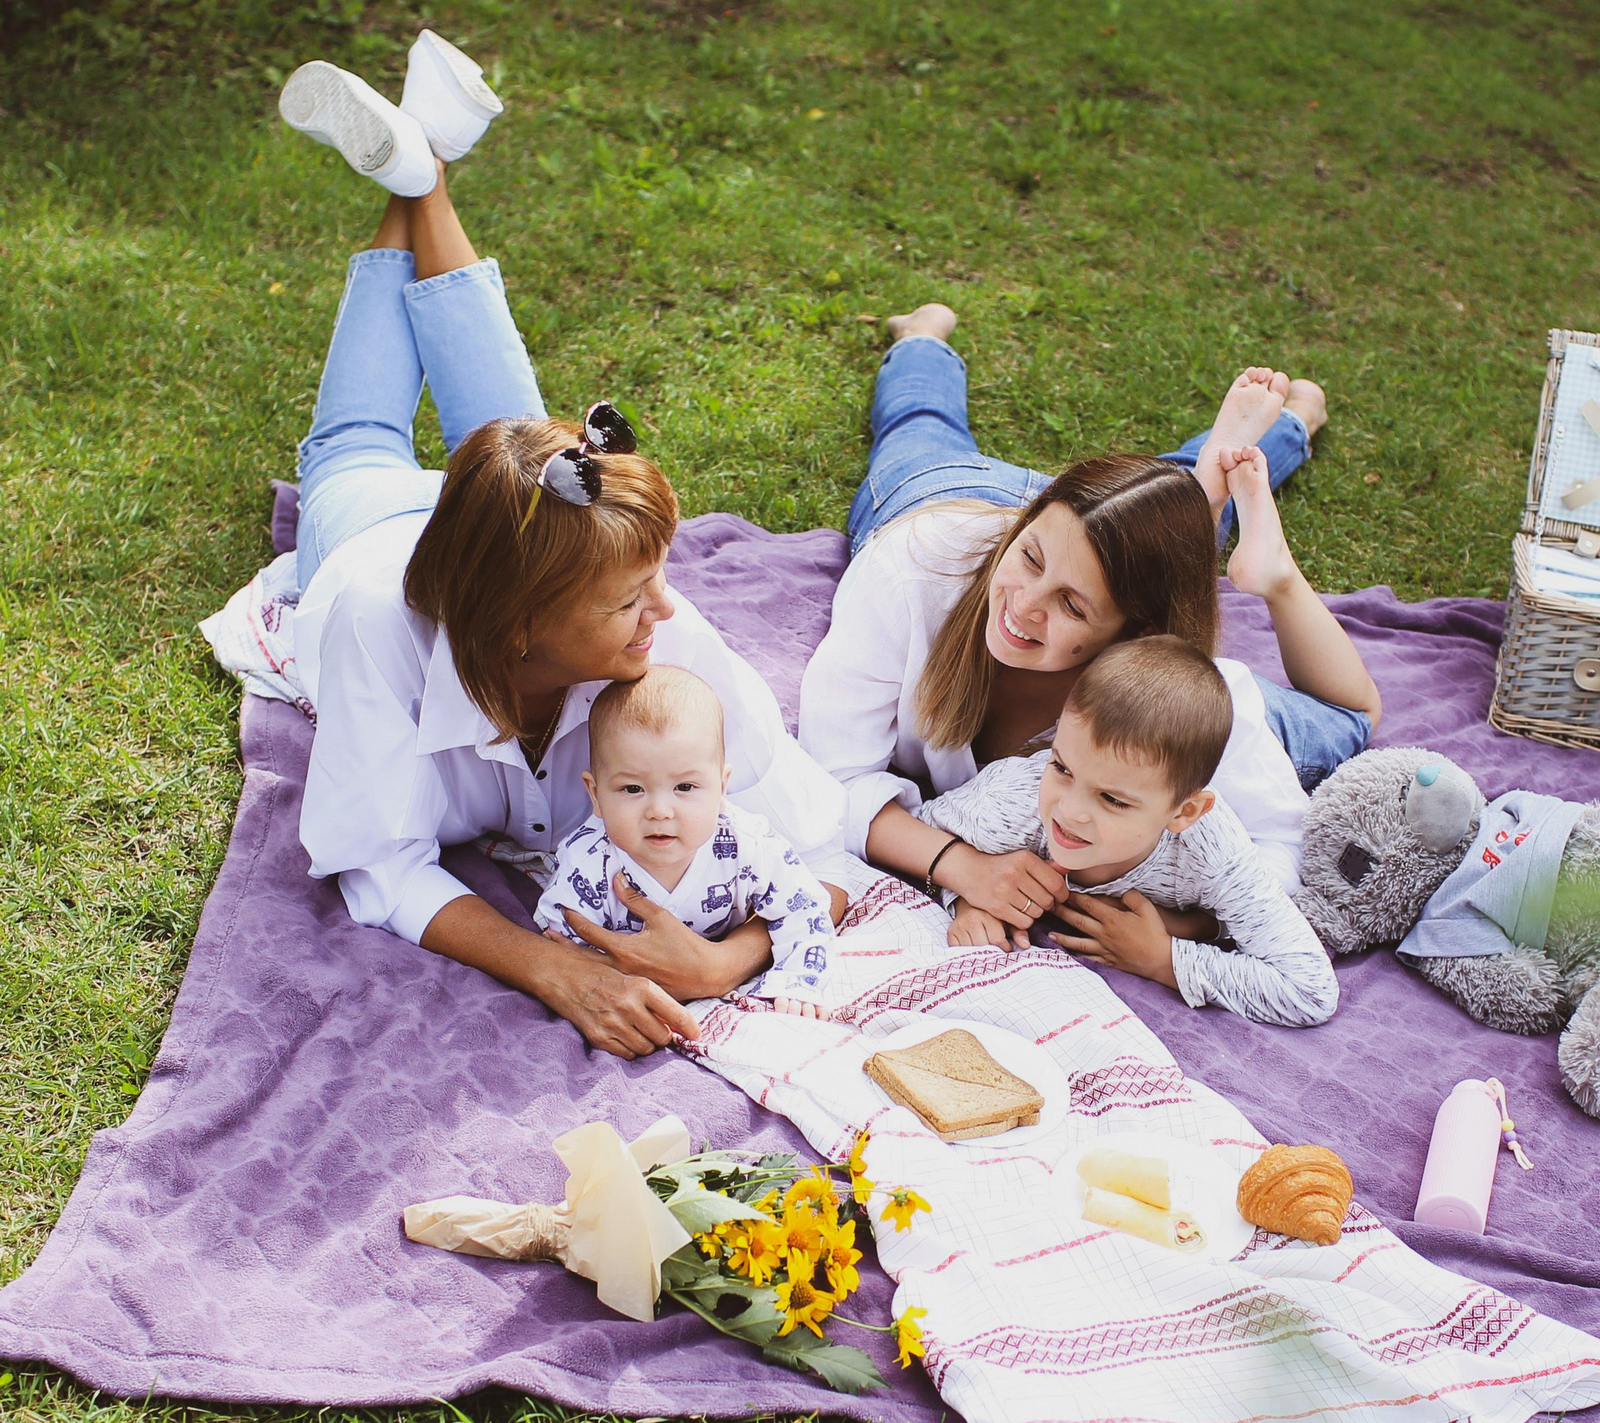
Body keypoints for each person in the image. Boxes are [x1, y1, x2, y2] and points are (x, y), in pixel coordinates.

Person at [273, 39, 847, 1059]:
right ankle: (422, 170)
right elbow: (374, 860)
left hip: (520, 514)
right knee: (352, 444)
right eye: (628, 602)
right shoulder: (378, 628)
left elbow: (814, 834)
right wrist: (551, 965)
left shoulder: (652, 639)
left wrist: (725, 963)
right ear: (520, 628)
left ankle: (422, 174)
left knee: (520, 438)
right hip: (370, 530)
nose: (665, 614)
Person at [801, 304, 1385, 951]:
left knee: (1341, 714)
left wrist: (1182, 932)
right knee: (920, 423)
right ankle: (922, 336)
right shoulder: (907, 574)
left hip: (1081, 533)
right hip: (940, 497)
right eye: (1028, 563)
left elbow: (1283, 844)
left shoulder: (1168, 687)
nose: (1023, 607)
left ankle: (1276, 442)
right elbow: (830, 783)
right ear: (1024, 527)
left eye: (1072, 607)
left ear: (1131, 634)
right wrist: (963, 868)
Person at [912, 637, 1339, 1029]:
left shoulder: (1210, 851)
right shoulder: (1014, 799)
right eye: (1061, 767)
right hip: (1191, 715)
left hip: (1290, 735)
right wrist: (970, 895)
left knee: (1348, 719)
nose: (1069, 812)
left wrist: (1162, 959)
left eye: (1113, 800)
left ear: (1185, 812)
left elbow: (1311, 989)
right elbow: (922, 828)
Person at [534, 668, 834, 1018]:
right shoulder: (587, 863)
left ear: (722, 788)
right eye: (633, 789)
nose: (660, 811)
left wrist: (799, 978)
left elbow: (805, 906)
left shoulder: (749, 846)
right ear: (596, 795)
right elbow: (558, 941)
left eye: (685, 788)